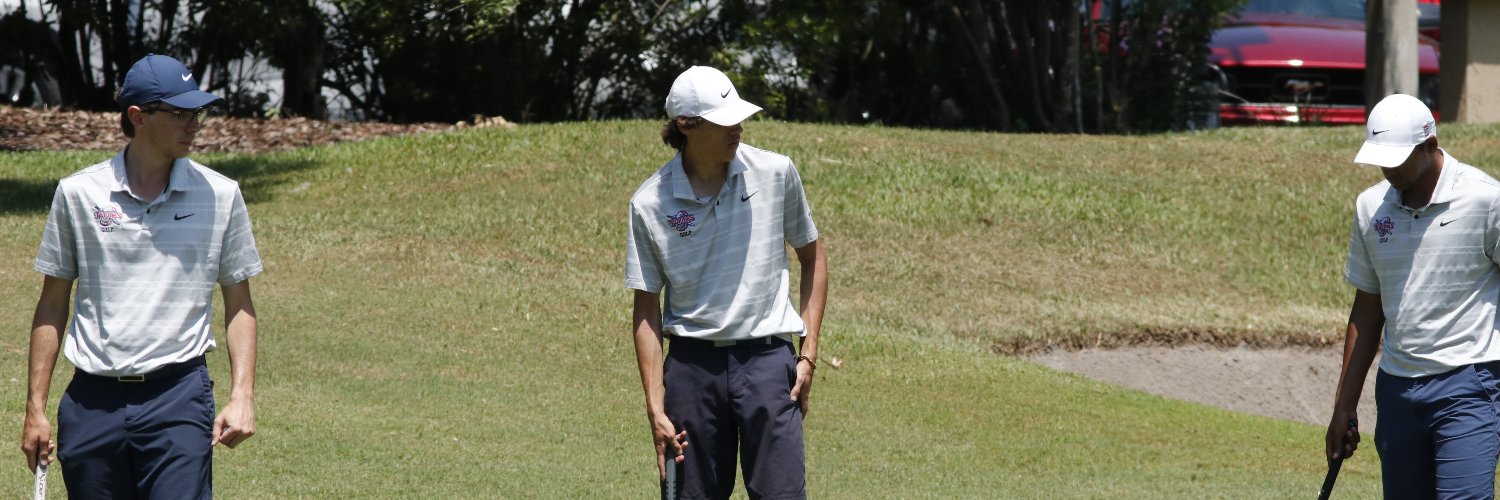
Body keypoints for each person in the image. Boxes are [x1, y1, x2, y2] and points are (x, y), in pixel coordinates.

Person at [20, 53, 262, 498]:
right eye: (181, 113)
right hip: (92, 400)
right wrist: (35, 407)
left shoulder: (222, 195)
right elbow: (52, 304)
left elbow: (239, 304)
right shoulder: (78, 194)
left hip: (178, 397)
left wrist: (242, 395)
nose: (195, 124)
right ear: (138, 116)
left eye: (199, 112)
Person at [625, 66, 828, 499]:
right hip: (691, 371)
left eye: (738, 116)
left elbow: (813, 256)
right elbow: (646, 307)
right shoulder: (649, 202)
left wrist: (807, 354)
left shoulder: (776, 172)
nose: (737, 127)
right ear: (686, 124)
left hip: (770, 363)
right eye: (723, 120)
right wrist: (654, 403)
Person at [1327, 93, 1500, 498]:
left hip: (1470, 383)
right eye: (1381, 157)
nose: (1389, 167)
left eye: (1399, 157)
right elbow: (1368, 310)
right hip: (1398, 390)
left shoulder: (1486, 200)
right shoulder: (1371, 208)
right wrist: (1343, 406)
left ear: (1430, 146)